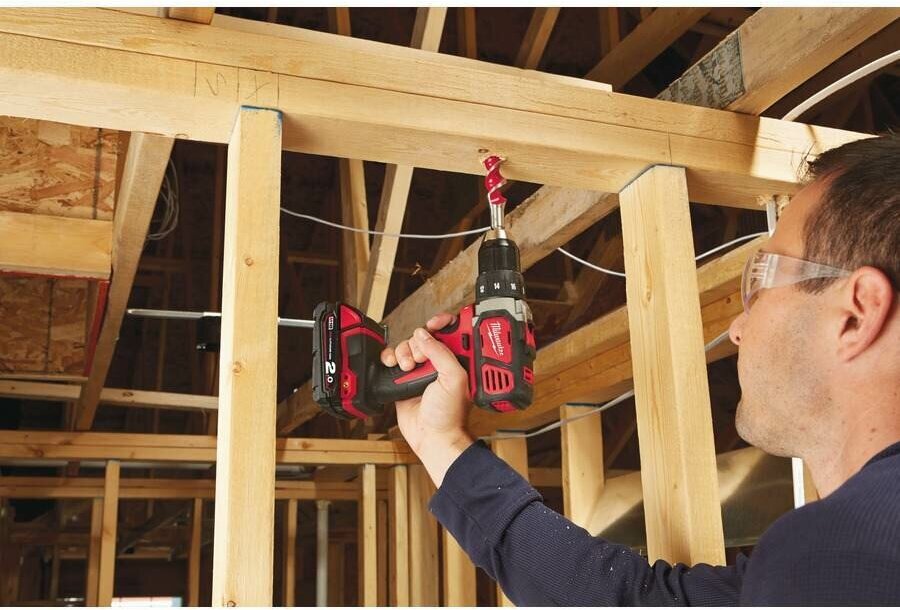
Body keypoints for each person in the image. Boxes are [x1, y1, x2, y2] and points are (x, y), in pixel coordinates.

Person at [380, 134, 900, 605]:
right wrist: (441, 442)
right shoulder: (839, 569)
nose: (737, 328)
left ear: (857, 313)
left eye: (761, 281)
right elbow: (628, 600)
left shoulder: (839, 556)